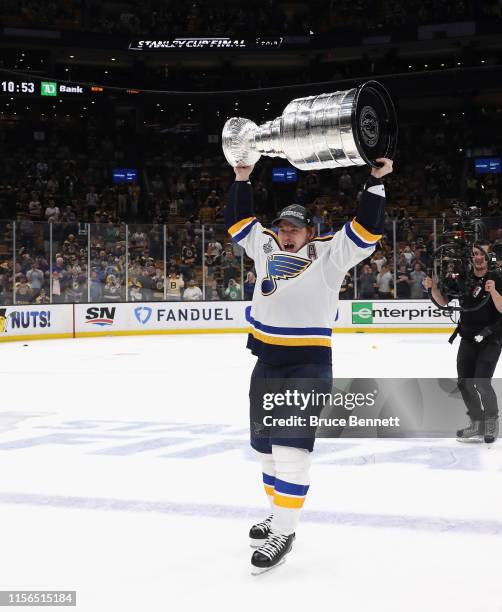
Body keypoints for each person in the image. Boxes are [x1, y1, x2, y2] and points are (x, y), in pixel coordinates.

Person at [224, 157, 393, 573]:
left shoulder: (330, 254)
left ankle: (286, 529)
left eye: (295, 229)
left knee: (290, 449)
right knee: (264, 450)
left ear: (310, 232)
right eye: (282, 227)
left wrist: (375, 180)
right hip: (266, 359)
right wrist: (242, 178)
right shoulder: (264, 244)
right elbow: (237, 221)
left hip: (307, 364)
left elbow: (367, 229)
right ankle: (278, 515)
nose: (286, 234)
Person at [424, 244, 502, 444]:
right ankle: (477, 422)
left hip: (491, 338)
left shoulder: (498, 277)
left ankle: (491, 420)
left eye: (482, 254)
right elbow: (443, 302)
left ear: (488, 257)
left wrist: (493, 291)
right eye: (475, 254)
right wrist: (432, 287)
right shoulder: (463, 279)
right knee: (464, 383)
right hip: (467, 337)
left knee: (482, 382)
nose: (478, 258)